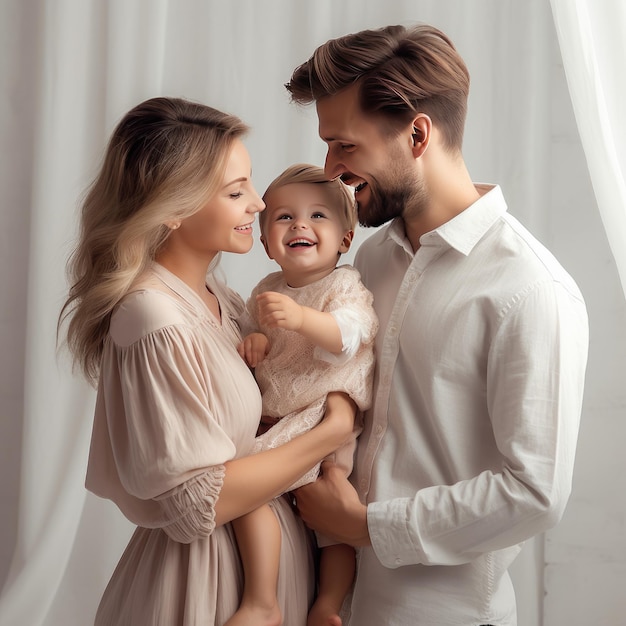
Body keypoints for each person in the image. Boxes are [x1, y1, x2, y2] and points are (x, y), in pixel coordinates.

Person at [285, 24, 589, 625]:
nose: (329, 169)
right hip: (335, 603)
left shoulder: (528, 288)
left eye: (344, 146)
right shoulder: (370, 262)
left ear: (418, 133)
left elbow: (535, 492)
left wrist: (364, 526)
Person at [58, 97, 356, 626]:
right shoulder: (154, 319)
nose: (259, 206)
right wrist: (330, 433)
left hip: (265, 573)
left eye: (251, 185)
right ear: (172, 209)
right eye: (236, 192)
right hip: (206, 585)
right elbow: (200, 505)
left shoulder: (220, 297)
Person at [229, 164, 378, 626]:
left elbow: (353, 333)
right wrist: (257, 343)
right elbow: (263, 338)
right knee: (284, 503)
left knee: (266, 496)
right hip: (284, 413)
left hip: (320, 414)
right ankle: (280, 598)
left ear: (345, 239)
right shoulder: (265, 290)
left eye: (318, 216)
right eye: (284, 218)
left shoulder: (343, 285)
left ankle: (301, 604)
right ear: (267, 243)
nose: (300, 225)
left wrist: (302, 321)